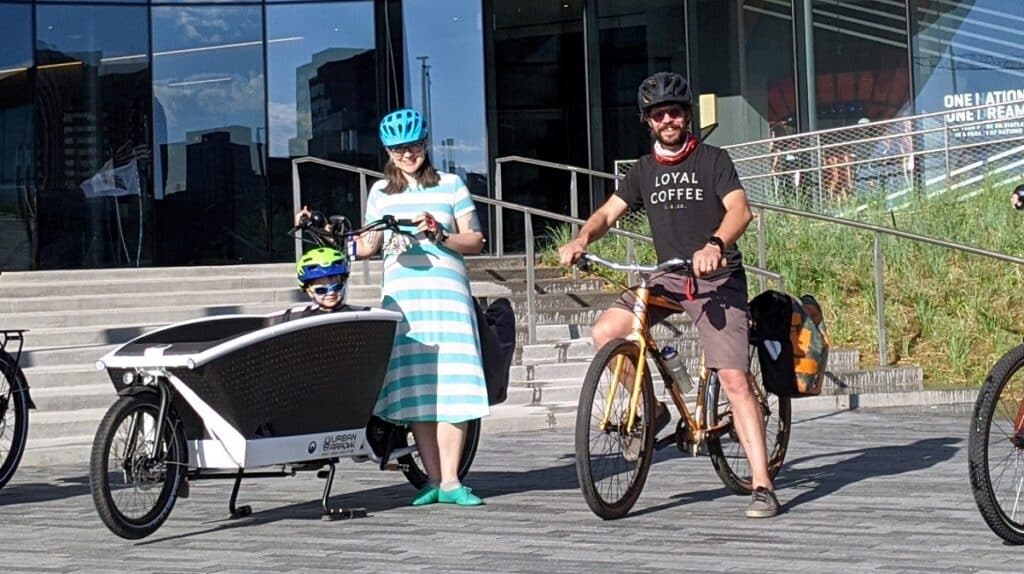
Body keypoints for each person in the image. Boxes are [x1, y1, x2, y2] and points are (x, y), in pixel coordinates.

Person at [558, 72, 780, 519]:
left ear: (687, 116)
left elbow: (740, 209)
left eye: (675, 112)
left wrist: (715, 245)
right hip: (665, 277)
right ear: (648, 121)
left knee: (734, 379)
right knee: (606, 333)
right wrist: (582, 238)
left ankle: (761, 484)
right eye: (658, 115)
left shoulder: (714, 161)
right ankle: (654, 410)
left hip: (715, 280)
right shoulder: (642, 170)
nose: (668, 120)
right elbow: (607, 214)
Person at [352, 108, 488, 507]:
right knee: (418, 391)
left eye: (412, 147)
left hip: (447, 297)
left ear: (425, 145)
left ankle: (451, 480)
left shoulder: (451, 185)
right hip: (405, 301)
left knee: (454, 387)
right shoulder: (380, 193)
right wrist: (339, 237)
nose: (407, 156)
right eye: (398, 150)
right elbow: (369, 244)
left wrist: (440, 234)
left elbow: (476, 240)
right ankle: (432, 479)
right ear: (388, 153)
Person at [267, 246, 363, 326]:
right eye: (321, 290)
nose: (331, 293)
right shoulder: (297, 318)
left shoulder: (361, 315)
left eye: (337, 287)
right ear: (309, 291)